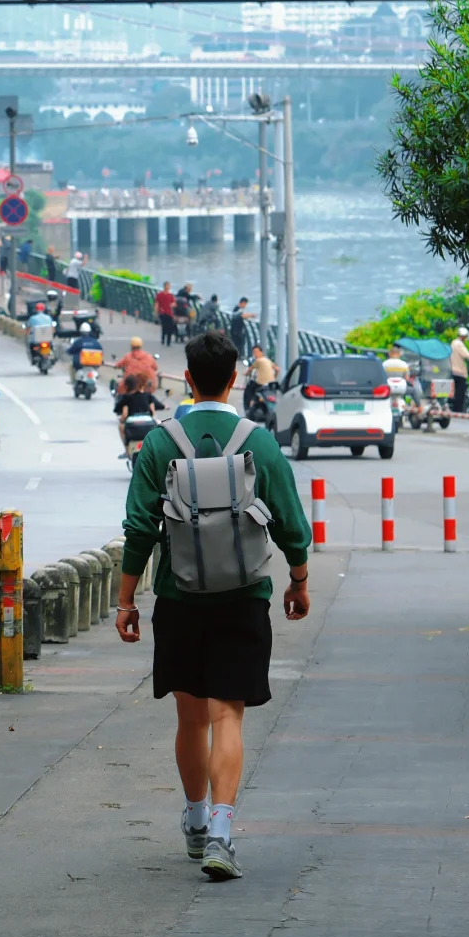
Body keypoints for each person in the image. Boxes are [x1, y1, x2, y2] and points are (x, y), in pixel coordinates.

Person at [116, 329, 312, 881]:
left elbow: (138, 529)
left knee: (190, 714)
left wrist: (127, 601)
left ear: (188, 375)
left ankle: (196, 820)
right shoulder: (259, 441)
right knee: (229, 715)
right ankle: (222, 836)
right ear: (233, 378)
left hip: (180, 599)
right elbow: (291, 522)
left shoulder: (160, 442)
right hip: (244, 597)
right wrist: (298, 579)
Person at [114, 375, 165, 446]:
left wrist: (122, 421)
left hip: (132, 424)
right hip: (148, 423)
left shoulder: (126, 397)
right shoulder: (148, 396)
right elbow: (153, 412)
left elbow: (124, 414)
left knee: (121, 427)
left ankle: (127, 448)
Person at [449, 326, 469, 412]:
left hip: (452, 371)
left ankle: (452, 408)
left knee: (454, 391)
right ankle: (457, 411)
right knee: (460, 393)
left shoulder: (453, 343)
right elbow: (466, 355)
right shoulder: (459, 344)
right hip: (460, 372)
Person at [229, 297, 253, 363]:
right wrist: (251, 315)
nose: (245, 306)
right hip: (236, 330)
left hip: (235, 329)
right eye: (245, 304)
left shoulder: (236, 308)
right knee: (239, 343)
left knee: (238, 343)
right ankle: (238, 356)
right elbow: (243, 315)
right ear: (242, 303)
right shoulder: (238, 309)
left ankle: (237, 356)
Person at [155, 280, 177, 347]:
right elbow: (156, 304)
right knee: (165, 327)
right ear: (165, 286)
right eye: (168, 286)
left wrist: (172, 305)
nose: (169, 287)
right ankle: (164, 339)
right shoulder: (160, 295)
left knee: (169, 327)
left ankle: (168, 341)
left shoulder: (170, 295)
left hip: (169, 313)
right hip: (163, 313)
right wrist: (156, 312)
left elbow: (174, 304)